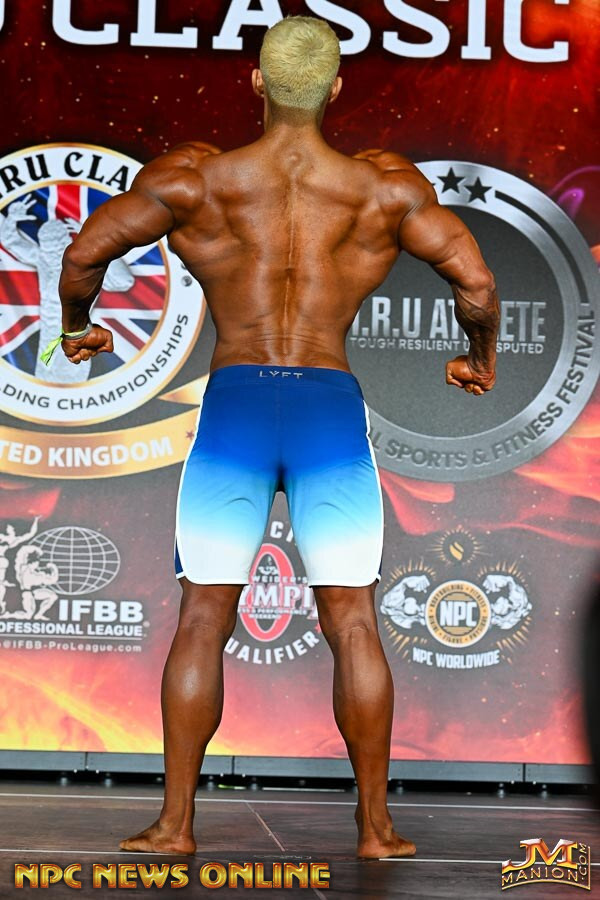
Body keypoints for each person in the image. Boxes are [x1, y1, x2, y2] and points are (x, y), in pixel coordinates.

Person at [50, 16, 499, 859]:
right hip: (328, 411)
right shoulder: (383, 190)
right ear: (336, 89)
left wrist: (79, 330)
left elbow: (83, 255)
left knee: (202, 616)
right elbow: (474, 281)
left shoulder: (197, 180)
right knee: (354, 622)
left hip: (237, 411)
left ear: (257, 82)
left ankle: (176, 827)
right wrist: (478, 359)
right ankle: (376, 830)